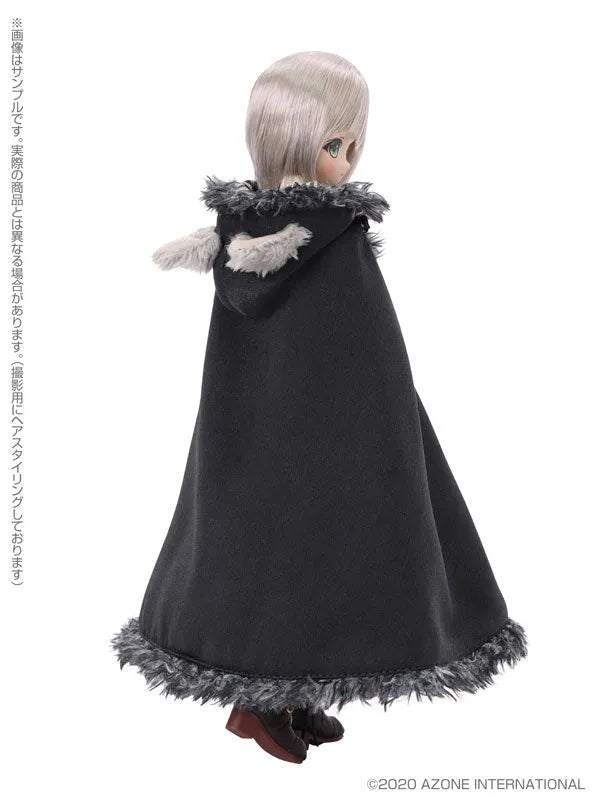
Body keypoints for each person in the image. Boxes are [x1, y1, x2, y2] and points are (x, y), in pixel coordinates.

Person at [112, 51, 528, 765]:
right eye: (336, 144)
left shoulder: (241, 242)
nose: (348, 160)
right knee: (329, 551)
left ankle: (293, 698)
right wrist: (385, 424)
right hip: (340, 428)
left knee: (285, 557)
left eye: (351, 144)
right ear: (296, 140)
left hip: (259, 434)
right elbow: (364, 341)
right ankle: (260, 705)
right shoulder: (332, 239)